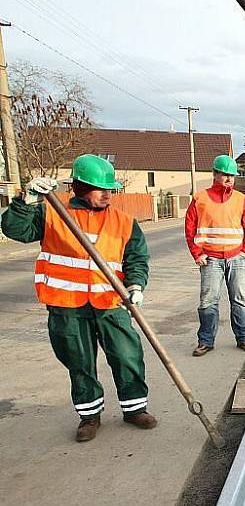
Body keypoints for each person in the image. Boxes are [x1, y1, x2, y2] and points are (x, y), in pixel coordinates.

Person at [0, 154, 156, 442]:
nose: (107, 194)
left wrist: (136, 285)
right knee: (79, 361)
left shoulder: (124, 222)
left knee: (126, 355)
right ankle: (89, 416)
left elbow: (137, 258)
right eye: (101, 189)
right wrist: (26, 201)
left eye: (110, 189)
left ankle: (135, 408)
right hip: (67, 306)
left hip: (112, 303)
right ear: (80, 187)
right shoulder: (52, 214)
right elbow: (14, 229)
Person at [185, 154, 245, 356]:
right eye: (224, 175)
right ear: (215, 174)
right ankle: (206, 341)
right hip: (210, 259)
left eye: (231, 176)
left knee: (240, 300)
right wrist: (196, 254)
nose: (228, 179)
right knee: (208, 301)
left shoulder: (241, 200)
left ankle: (243, 338)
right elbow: (190, 229)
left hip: (236, 258)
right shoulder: (199, 199)